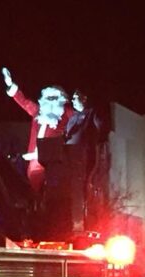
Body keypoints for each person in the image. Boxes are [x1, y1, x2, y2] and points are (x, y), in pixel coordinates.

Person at [1, 67, 76, 193]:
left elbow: (81, 117)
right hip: (34, 160)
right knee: (36, 189)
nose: (51, 101)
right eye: (48, 98)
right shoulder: (37, 112)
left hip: (54, 161)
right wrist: (10, 85)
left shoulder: (66, 114)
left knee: (53, 190)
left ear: (62, 100)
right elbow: (23, 102)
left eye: (54, 98)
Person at [64, 90, 103, 232]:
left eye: (75, 98)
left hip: (84, 155)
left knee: (84, 189)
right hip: (70, 157)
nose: (73, 101)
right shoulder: (72, 117)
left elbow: (100, 130)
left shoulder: (91, 113)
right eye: (72, 99)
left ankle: (85, 223)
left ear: (84, 99)